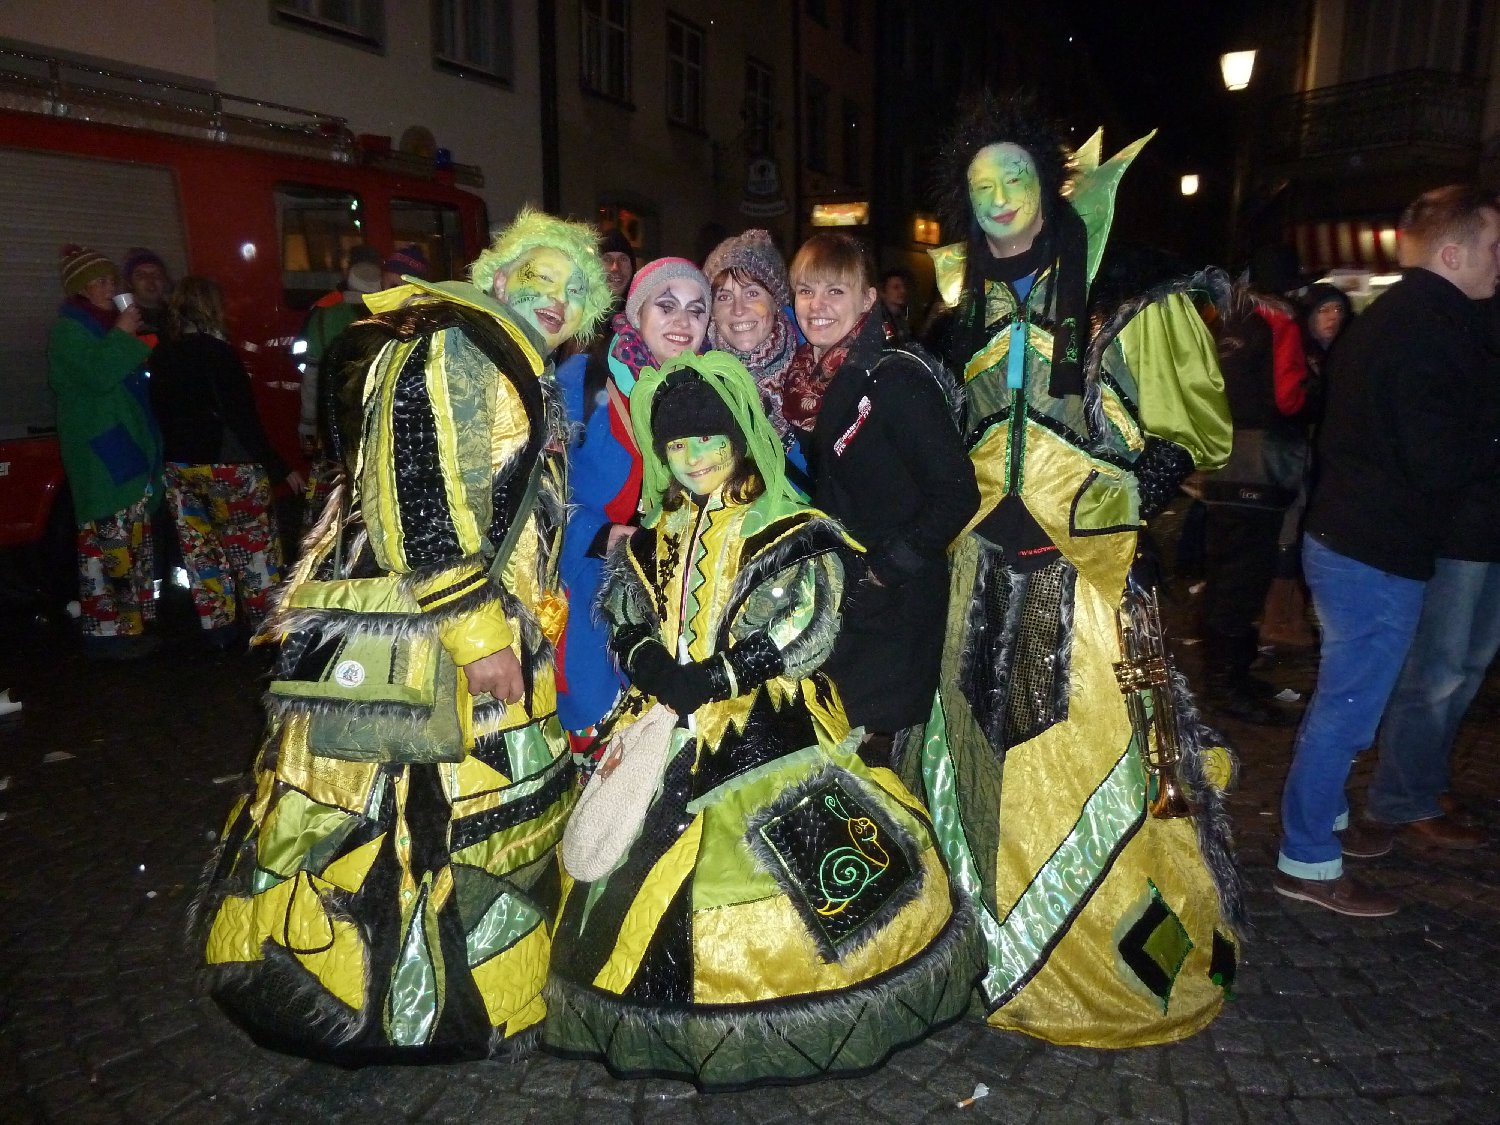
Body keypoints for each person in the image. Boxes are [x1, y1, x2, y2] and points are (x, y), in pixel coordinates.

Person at [196, 209, 611, 1063]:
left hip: (476, 637)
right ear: (498, 276)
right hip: (430, 643)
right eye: (541, 275)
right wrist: (480, 635)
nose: (557, 298)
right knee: (402, 816)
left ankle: (474, 994)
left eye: (577, 290)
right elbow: (419, 498)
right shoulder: (454, 343)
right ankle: (390, 1004)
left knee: (477, 817)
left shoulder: (504, 354)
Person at [542, 352, 976, 1088]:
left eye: (709, 440)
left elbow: (803, 622)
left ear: (740, 437)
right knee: (624, 857)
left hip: (761, 724)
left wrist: (717, 677)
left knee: (801, 877)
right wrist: (653, 666)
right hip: (667, 726)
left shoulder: (787, 526)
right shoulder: (658, 532)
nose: (695, 458)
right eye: (678, 446)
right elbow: (627, 610)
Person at [909, 93, 1242, 1046]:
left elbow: (1190, 431)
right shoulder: (955, 311)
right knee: (983, 766)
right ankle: (985, 953)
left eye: (1014, 176)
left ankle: (1101, 969)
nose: (999, 198)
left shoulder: (1125, 290)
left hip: (1089, 587)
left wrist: (1114, 509)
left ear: (1050, 185)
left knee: (1093, 766)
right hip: (980, 582)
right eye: (981, 185)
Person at [1276, 185, 1500, 915]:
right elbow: (1434, 458)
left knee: (1348, 705)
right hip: (1372, 551)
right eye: (1493, 247)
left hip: (1359, 540)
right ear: (1452, 253)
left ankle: (1329, 826)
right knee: (1346, 711)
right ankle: (1307, 861)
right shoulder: (1427, 329)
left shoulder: (1400, 317)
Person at [783, 232, 978, 761]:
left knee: (872, 766)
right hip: (845, 607)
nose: (817, 306)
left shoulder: (893, 378)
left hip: (893, 611)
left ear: (868, 298)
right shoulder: (806, 383)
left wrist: (884, 569)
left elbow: (957, 492)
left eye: (835, 291)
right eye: (806, 291)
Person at [555, 258, 711, 738]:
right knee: (592, 727)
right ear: (636, 313)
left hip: (674, 595)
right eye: (666, 306)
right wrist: (598, 535)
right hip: (584, 588)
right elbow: (533, 491)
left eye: (697, 310)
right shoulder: (581, 382)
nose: (682, 321)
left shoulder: (708, 392)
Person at [148, 276, 302, 646]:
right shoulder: (220, 354)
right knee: (254, 552)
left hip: (180, 468)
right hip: (228, 466)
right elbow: (243, 420)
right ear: (212, 307)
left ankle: (218, 631)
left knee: (203, 554)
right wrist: (281, 467)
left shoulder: (162, 355)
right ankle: (267, 630)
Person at [1197, 278, 1309, 724]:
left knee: (1226, 571)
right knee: (1246, 575)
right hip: (1260, 462)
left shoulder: (1222, 321)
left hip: (1222, 458)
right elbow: (1288, 396)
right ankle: (1227, 686)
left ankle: (1229, 675)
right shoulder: (1278, 322)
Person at [48, 244, 162, 661]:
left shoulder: (102, 325)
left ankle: (132, 628)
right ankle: (108, 634)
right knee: (108, 545)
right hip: (102, 452)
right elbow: (97, 375)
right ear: (80, 288)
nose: (109, 287)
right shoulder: (69, 330)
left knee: (130, 542)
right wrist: (123, 333)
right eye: (99, 281)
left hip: (122, 444)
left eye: (111, 279)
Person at [1259, 282, 1353, 651]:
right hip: (1295, 456)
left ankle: (1293, 614)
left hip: (1324, 460)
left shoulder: (1342, 355)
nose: (1332, 318)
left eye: (1338, 310)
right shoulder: (1301, 353)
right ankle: (1282, 616)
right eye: (1324, 310)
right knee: (1291, 532)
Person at [703, 229, 800, 447]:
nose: (738, 310)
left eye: (752, 294)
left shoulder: (815, 372)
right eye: (724, 297)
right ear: (712, 310)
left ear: (776, 302)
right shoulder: (696, 379)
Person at [121, 246, 172, 340]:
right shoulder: (122, 319)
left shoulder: (177, 315)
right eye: (141, 275)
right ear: (129, 283)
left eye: (156, 274)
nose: (150, 279)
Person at [879, 266, 914, 342]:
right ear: (882, 292)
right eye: (896, 287)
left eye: (903, 286)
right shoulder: (879, 319)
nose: (903, 291)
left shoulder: (902, 315)